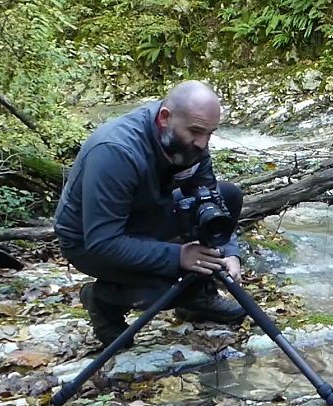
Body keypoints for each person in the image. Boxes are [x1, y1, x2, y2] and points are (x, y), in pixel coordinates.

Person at [53, 80, 247, 347]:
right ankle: (104, 300)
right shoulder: (115, 151)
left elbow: (211, 199)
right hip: (90, 241)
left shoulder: (188, 139)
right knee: (175, 282)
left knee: (229, 195)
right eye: (197, 132)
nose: (203, 144)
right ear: (165, 118)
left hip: (147, 213)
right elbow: (103, 242)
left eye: (210, 134)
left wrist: (229, 250)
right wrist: (178, 256)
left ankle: (198, 297)